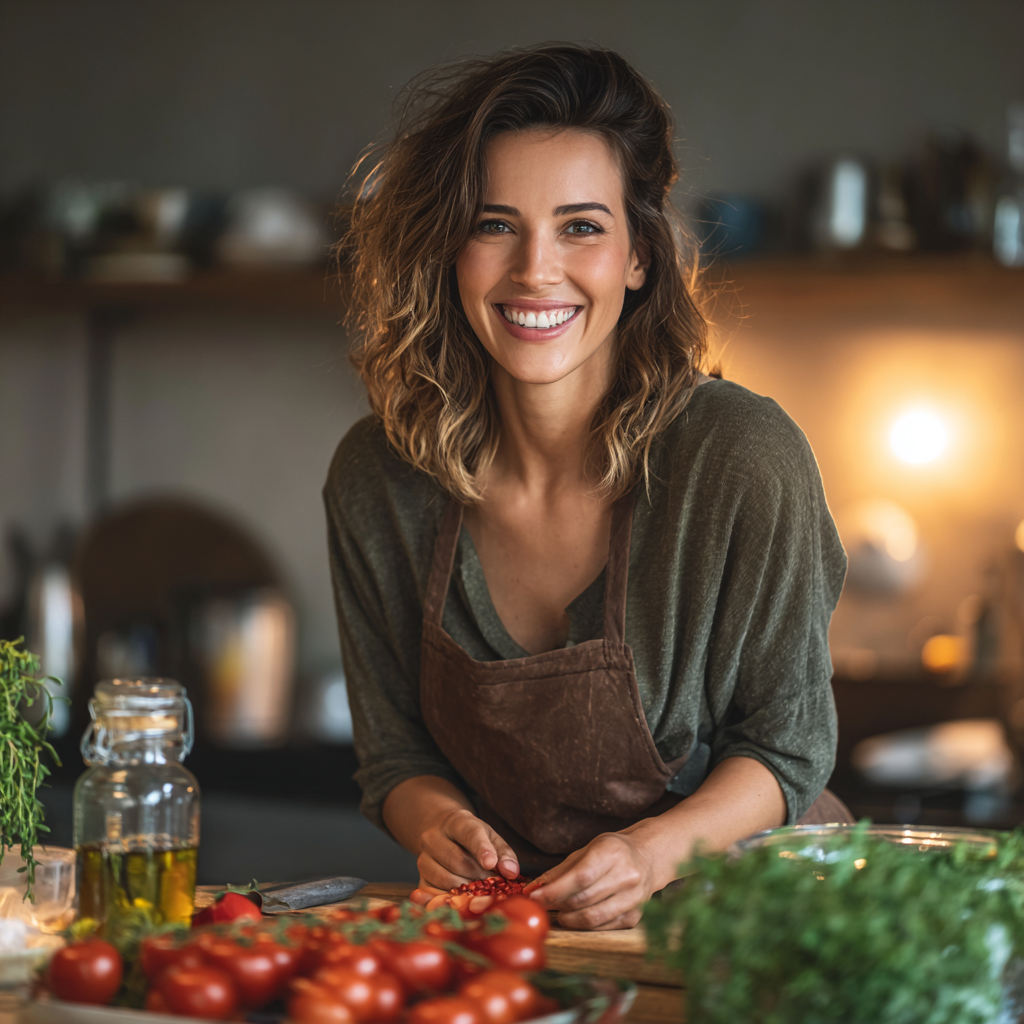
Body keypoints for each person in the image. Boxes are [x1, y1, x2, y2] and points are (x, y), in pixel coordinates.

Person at [325, 43, 848, 931]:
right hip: (526, 936)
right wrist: (439, 823)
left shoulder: (741, 457)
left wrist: (649, 855)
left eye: (580, 226)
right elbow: (394, 757)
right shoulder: (380, 478)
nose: (535, 269)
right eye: (495, 225)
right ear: (449, 252)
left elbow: (787, 748)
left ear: (639, 256)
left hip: (751, 927)